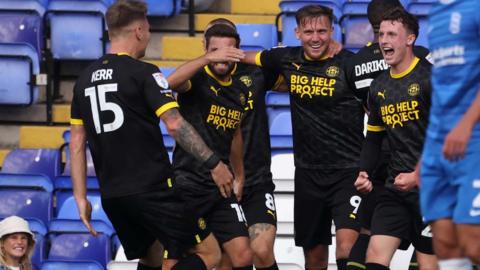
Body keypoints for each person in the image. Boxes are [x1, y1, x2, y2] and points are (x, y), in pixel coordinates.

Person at [69, 1, 236, 269]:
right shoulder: (145, 73)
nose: (149, 34)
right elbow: (174, 124)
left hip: (113, 196)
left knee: (153, 258)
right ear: (138, 30)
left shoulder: (84, 79)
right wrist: (214, 163)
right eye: (148, 28)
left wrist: (80, 198)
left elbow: (76, 143)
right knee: (210, 254)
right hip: (153, 189)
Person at [242, 5, 365, 270]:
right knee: (314, 256)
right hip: (308, 174)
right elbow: (249, 58)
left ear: (332, 31)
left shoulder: (350, 64)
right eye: (308, 31)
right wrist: (219, 55)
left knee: (348, 249)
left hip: (348, 172)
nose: (316, 37)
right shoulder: (287, 59)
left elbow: (374, 105)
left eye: (322, 30)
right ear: (297, 32)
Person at [344, 1, 430, 269]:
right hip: (396, 187)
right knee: (375, 256)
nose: (384, 40)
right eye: (381, 34)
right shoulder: (379, 86)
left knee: (430, 264)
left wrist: (418, 174)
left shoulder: (430, 79)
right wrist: (364, 172)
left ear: (410, 39)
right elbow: (374, 138)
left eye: (392, 34)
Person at [164, 24, 254, 270]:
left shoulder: (241, 90)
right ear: (205, 49)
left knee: (243, 255)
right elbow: (168, 83)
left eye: (228, 50)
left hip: (221, 187)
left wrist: (240, 176)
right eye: (216, 50)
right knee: (175, 257)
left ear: (237, 51)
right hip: (187, 183)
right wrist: (206, 58)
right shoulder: (196, 79)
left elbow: (235, 133)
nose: (222, 56)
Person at [199, 18, 283, 270]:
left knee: (261, 249)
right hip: (215, 184)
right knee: (227, 260)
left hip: (256, 180)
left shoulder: (255, 74)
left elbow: (290, 70)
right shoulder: (195, 79)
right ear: (206, 46)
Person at [420, 0, 480, 269]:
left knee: (474, 243)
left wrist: (467, 124)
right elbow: (442, 86)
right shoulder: (436, 14)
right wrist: (427, 152)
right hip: (439, 145)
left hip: (473, 139)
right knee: (444, 243)